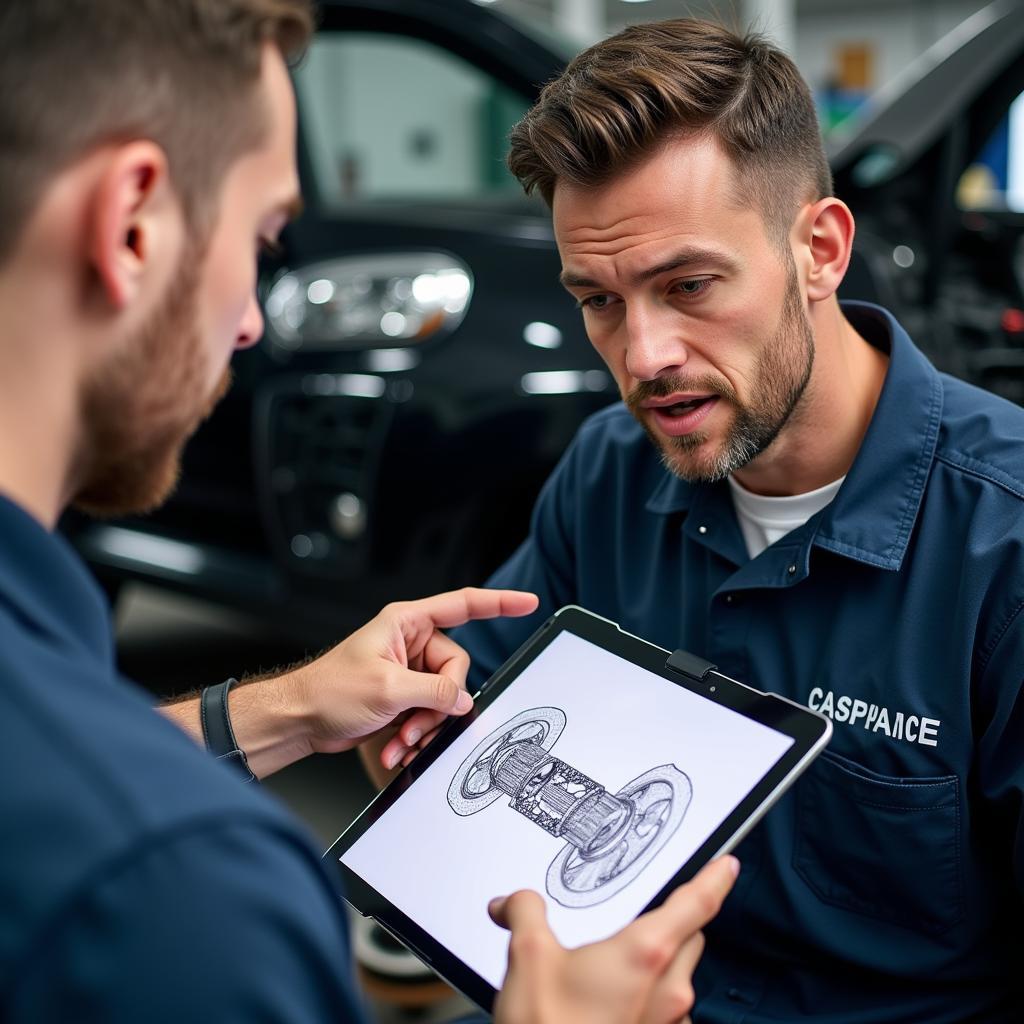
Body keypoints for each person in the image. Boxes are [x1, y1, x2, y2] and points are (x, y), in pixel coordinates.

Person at [0, 2, 740, 1022]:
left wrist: (288, 705)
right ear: (131, 223)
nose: (258, 318)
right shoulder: (180, 895)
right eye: (265, 237)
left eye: (691, 283)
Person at [401, 16, 1024, 1024]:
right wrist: (423, 717)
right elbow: (477, 714)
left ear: (818, 249)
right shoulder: (607, 471)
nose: (642, 354)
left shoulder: (1002, 547)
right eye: (597, 299)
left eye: (687, 286)